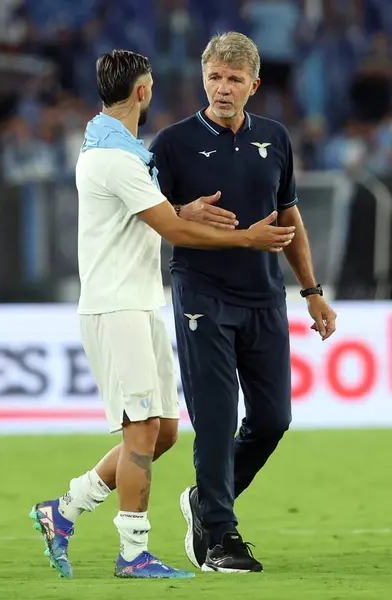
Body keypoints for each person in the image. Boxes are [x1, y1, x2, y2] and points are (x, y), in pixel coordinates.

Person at [28, 49, 296, 580]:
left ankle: (65, 509)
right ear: (144, 91)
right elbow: (170, 232)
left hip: (142, 301)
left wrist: (181, 208)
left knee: (166, 430)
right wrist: (243, 237)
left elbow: (152, 213)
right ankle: (133, 553)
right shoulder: (117, 158)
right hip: (117, 304)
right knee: (141, 429)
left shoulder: (121, 148)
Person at [149, 32, 337, 574]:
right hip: (200, 291)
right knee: (213, 419)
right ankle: (220, 538)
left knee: (274, 419)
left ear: (254, 85)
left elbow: (289, 219)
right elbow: (146, 217)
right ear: (203, 79)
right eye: (214, 77)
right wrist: (183, 211)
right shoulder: (172, 143)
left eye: (234, 79)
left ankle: (202, 502)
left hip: (264, 296)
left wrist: (312, 290)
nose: (223, 88)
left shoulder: (276, 138)